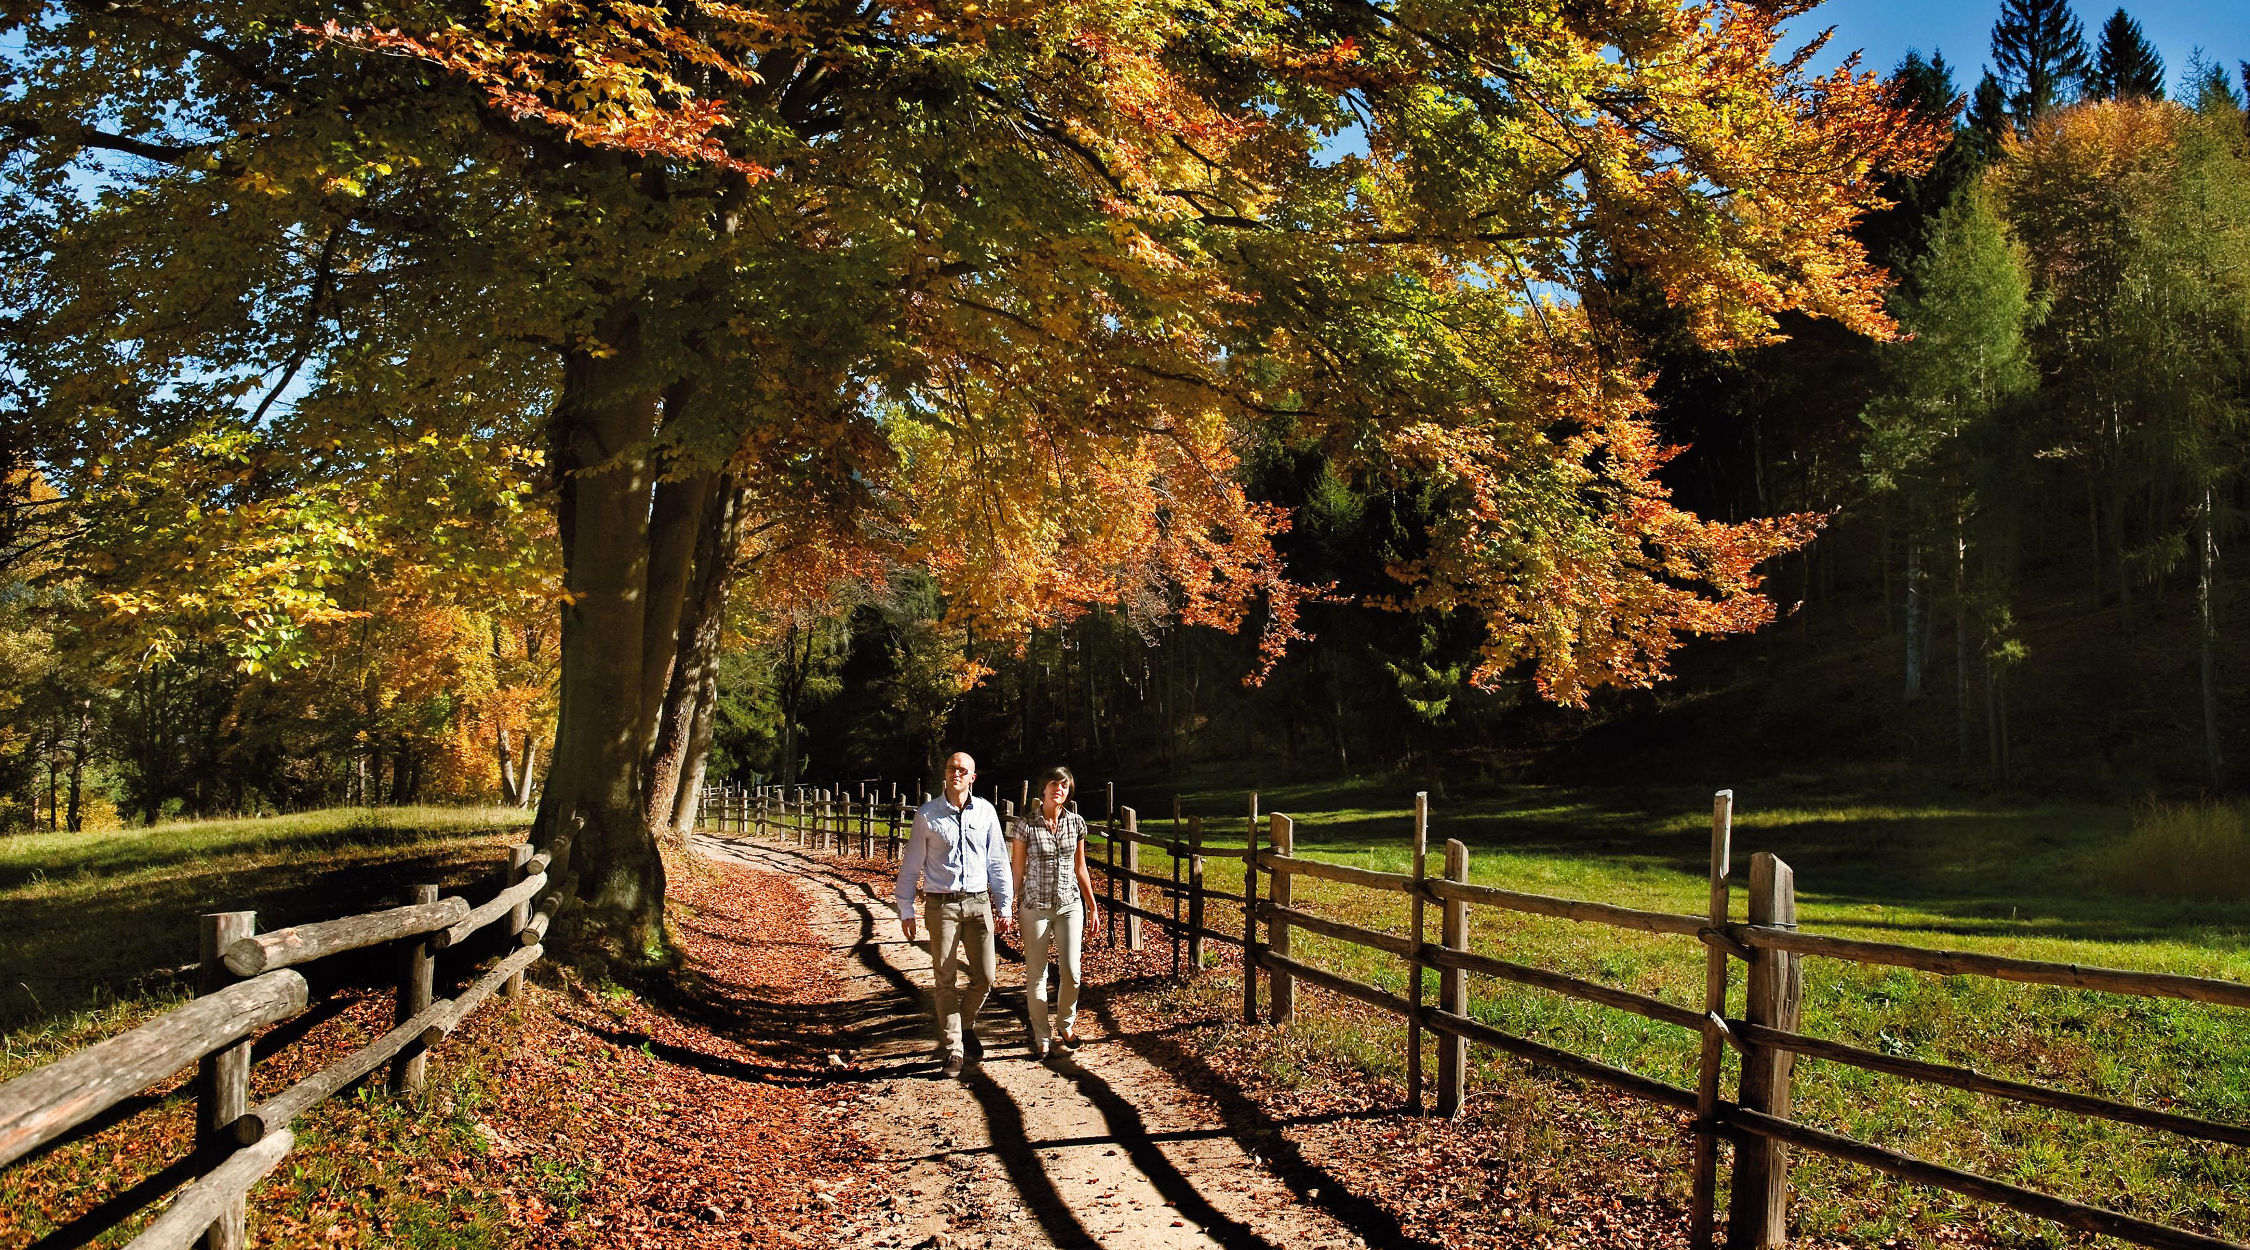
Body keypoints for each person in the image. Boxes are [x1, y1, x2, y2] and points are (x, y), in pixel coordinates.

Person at [897, 750, 1015, 1078]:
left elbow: (998, 861)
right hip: (942, 905)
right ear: (945, 774)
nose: (957, 773)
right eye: (952, 768)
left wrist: (1004, 904)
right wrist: (906, 908)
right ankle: (953, 1049)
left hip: (978, 903)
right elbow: (911, 866)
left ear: (973, 777)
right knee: (945, 978)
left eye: (963, 769)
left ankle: (964, 1024)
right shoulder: (928, 815)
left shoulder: (987, 814)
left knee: (987, 977)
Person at [1009, 765, 1101, 1059]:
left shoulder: (1076, 824)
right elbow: (1018, 869)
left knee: (1072, 972)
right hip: (1035, 906)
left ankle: (1065, 1024)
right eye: (1054, 784)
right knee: (1037, 974)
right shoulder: (1025, 825)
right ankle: (1041, 1036)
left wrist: (1092, 905)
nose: (1059, 789)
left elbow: (1081, 868)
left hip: (1069, 904)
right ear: (1044, 789)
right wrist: (1008, 904)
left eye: (1064, 785)